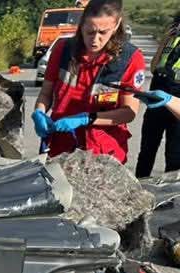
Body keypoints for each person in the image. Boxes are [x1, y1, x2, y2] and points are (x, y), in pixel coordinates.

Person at [31, 0, 145, 164]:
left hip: (104, 151)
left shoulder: (129, 59)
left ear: (117, 24)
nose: (95, 40)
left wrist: (87, 119)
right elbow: (45, 94)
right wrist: (39, 113)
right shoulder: (63, 50)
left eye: (103, 33)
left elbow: (129, 112)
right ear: (81, 25)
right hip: (61, 146)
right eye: (90, 32)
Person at [136, 15, 180, 176]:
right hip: (157, 97)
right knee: (146, 150)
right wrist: (163, 42)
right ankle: (139, 191)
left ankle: (170, 199)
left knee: (174, 157)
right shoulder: (172, 36)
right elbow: (154, 67)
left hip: (177, 104)